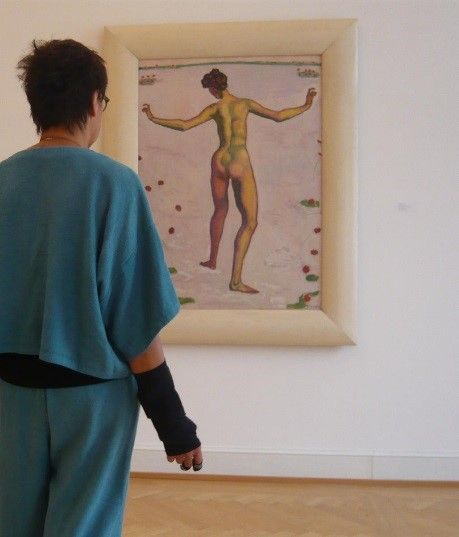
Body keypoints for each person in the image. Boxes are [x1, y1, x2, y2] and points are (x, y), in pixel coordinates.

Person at [0, 39, 202, 537]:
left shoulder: (3, 181)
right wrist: (175, 426)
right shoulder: (115, 184)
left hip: (10, 399)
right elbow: (137, 322)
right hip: (92, 401)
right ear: (95, 102)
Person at [142, 68, 317, 294]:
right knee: (250, 222)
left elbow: (185, 125)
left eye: (209, 90)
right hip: (239, 161)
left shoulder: (215, 108)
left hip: (219, 160)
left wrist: (153, 117)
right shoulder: (245, 104)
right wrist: (306, 105)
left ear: (214, 89)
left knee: (220, 209)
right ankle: (235, 281)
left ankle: (212, 260)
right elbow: (278, 116)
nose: (210, 93)